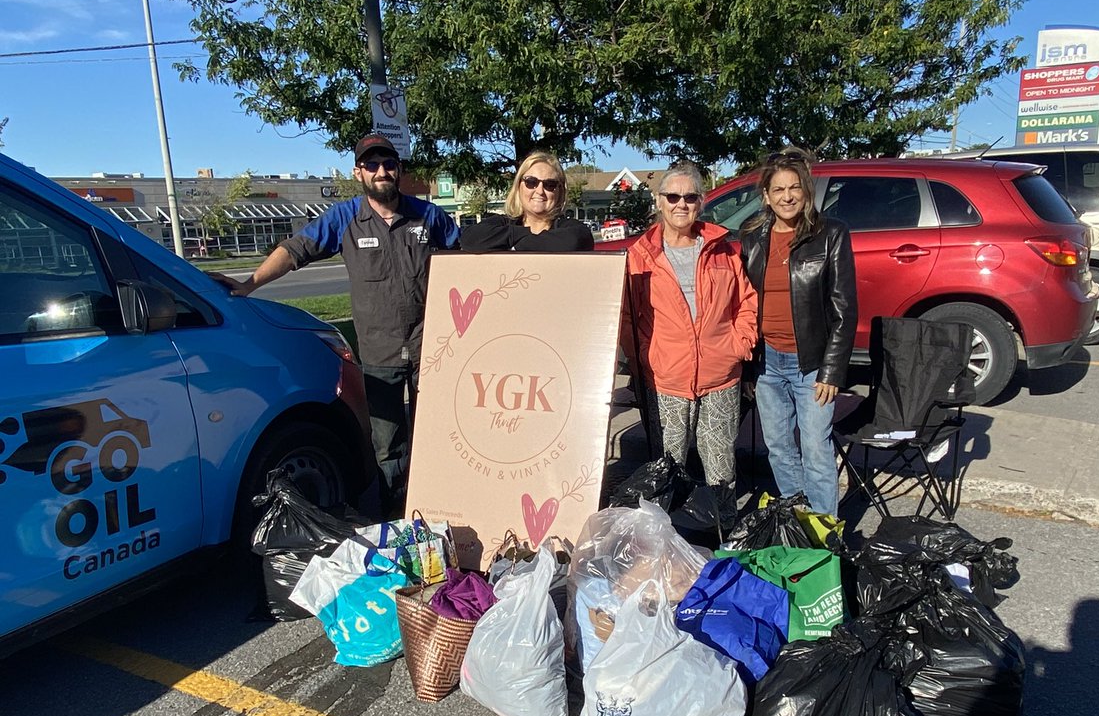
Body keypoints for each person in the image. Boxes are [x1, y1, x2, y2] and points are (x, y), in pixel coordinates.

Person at [209, 133, 459, 514]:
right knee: (387, 445)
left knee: (441, 434)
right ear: (358, 171)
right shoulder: (344, 219)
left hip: (434, 350)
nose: (381, 171)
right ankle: (396, 515)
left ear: (399, 169)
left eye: (388, 163)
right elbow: (295, 251)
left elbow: (467, 263)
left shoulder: (430, 216)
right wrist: (250, 283)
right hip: (381, 354)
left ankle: (444, 508)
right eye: (372, 165)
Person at [624, 161, 758, 522]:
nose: (681, 204)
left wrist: (738, 345)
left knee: (721, 470)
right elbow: (629, 318)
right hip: (666, 378)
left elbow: (746, 301)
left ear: (701, 202)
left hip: (720, 375)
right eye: (673, 196)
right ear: (659, 201)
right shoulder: (639, 256)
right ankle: (663, 543)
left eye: (690, 196)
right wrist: (644, 355)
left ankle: (724, 538)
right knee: (665, 470)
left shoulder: (722, 250)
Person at [740, 150, 857, 516]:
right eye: (778, 189)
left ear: (806, 191)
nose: (787, 196)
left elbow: (844, 309)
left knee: (816, 449)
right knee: (778, 448)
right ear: (766, 195)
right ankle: (798, 519)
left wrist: (832, 370)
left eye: (794, 188)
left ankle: (824, 536)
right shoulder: (753, 238)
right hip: (767, 364)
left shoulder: (830, 235)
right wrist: (747, 364)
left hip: (812, 365)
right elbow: (744, 302)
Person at [460, 151, 594, 252]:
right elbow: (469, 239)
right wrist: (517, 234)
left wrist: (511, 244)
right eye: (531, 182)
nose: (540, 191)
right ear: (519, 186)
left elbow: (575, 242)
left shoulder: (573, 229)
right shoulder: (502, 223)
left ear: (560, 191)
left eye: (550, 184)